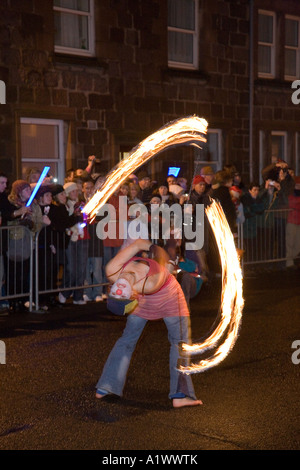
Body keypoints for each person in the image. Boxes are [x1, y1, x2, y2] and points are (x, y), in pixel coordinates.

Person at [95, 239, 203, 408]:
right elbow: (163, 259)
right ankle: (180, 395)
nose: (118, 290)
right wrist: (162, 247)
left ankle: (106, 387)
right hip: (167, 297)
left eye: (115, 293)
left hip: (150, 297)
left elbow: (137, 244)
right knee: (178, 343)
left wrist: (150, 246)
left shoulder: (112, 270)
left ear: (110, 288)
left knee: (132, 340)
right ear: (132, 295)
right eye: (122, 295)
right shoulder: (149, 284)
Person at [82, 179, 104, 302]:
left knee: (97, 269)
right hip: (84, 241)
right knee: (85, 269)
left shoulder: (100, 203)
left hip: (96, 240)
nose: (89, 190)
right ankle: (87, 292)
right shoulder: (80, 203)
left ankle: (97, 293)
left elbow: (102, 217)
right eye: (87, 187)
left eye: (91, 188)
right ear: (83, 189)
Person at [285, 176, 300, 269]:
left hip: (297, 222)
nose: (298, 187)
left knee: (297, 244)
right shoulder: (290, 195)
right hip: (291, 221)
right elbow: (291, 203)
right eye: (297, 185)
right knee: (290, 243)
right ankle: (289, 263)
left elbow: (295, 205)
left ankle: (291, 259)